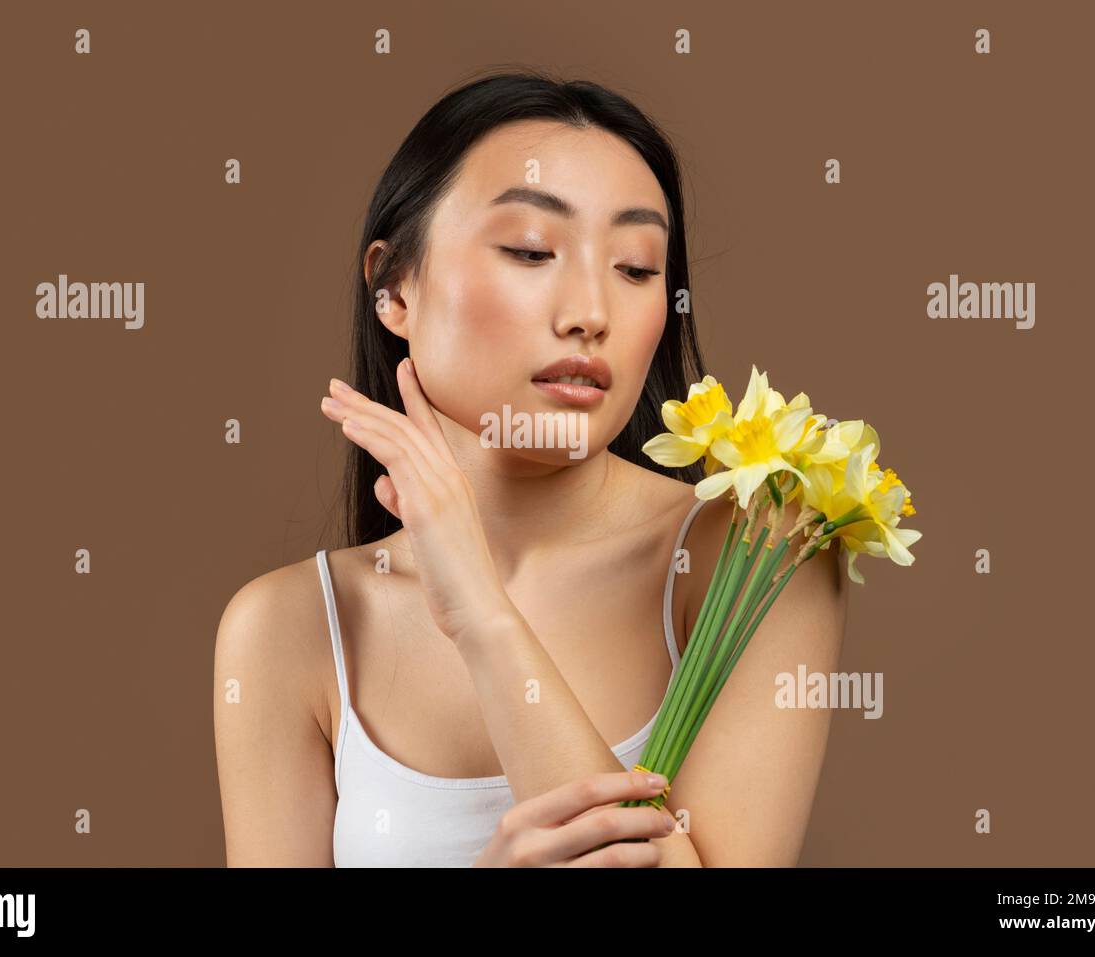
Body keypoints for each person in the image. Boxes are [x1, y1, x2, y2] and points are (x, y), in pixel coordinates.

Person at [213, 69, 849, 867]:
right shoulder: (289, 628)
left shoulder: (759, 554)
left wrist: (480, 612)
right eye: (530, 250)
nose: (589, 312)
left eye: (636, 267)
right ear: (394, 287)